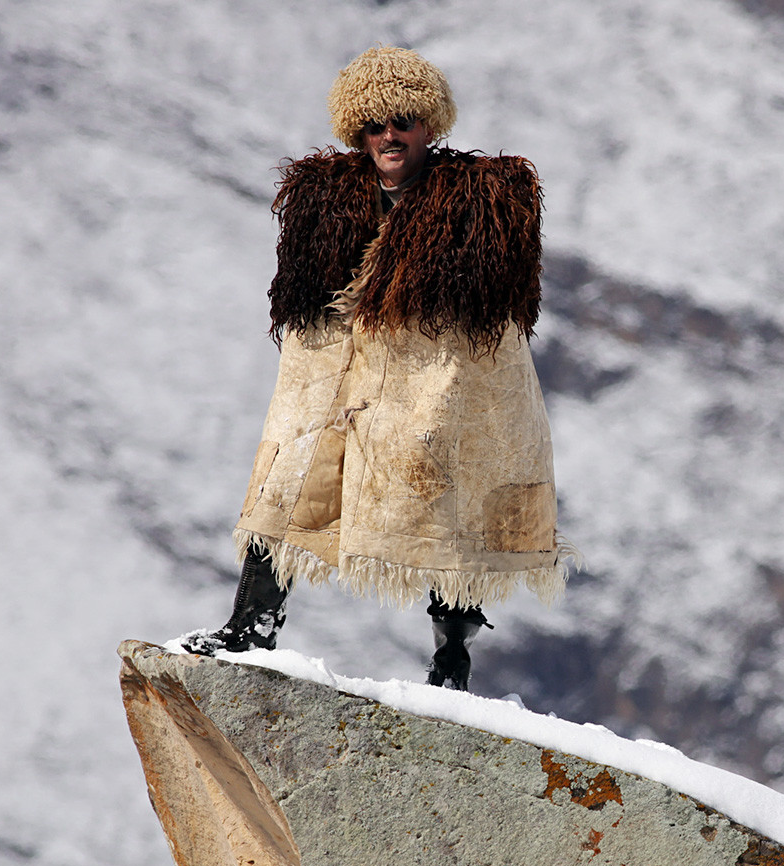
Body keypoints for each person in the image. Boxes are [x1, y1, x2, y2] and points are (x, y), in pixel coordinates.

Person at [184, 46, 571, 691]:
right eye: (373, 124)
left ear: (429, 125)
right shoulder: (326, 206)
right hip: (338, 378)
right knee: (289, 478)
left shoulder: (480, 206)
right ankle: (252, 625)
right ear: (356, 132)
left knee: (452, 497)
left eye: (402, 120)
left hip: (441, 381)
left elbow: (489, 313)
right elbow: (312, 301)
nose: (388, 135)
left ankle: (452, 659)